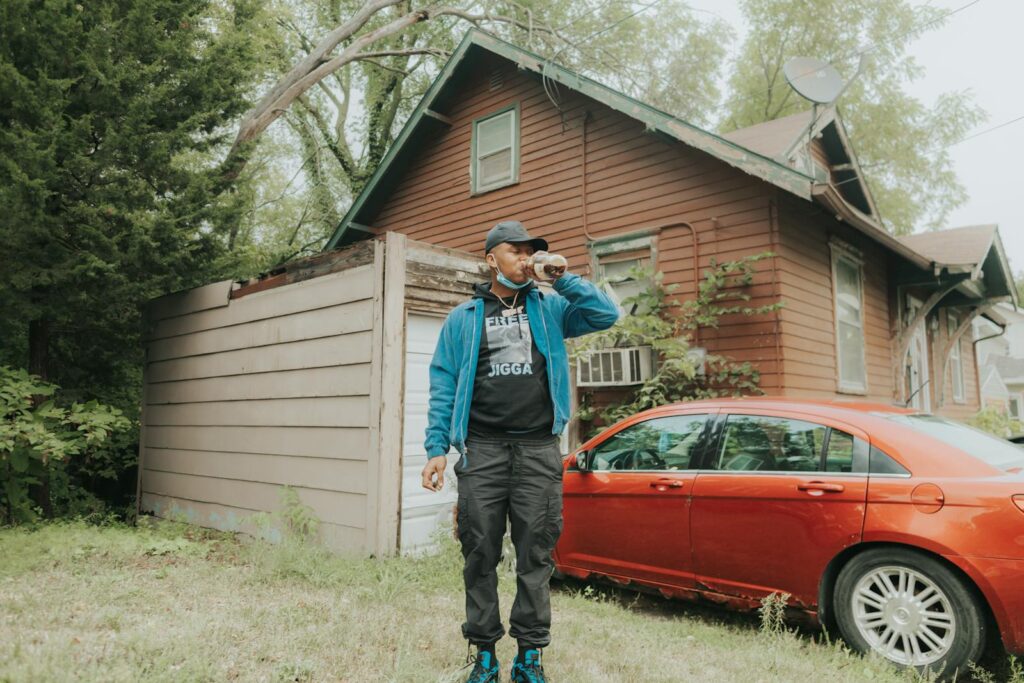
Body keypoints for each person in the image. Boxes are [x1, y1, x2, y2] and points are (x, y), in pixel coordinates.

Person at [420, 220, 619, 683]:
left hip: (537, 452)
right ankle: (484, 653)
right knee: (479, 553)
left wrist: (561, 277)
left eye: (533, 251)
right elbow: (443, 383)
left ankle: (529, 656)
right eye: (518, 251)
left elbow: (606, 315)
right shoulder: (464, 318)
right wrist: (436, 448)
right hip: (482, 453)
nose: (527, 258)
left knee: (536, 556)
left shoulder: (551, 307)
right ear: (493, 259)